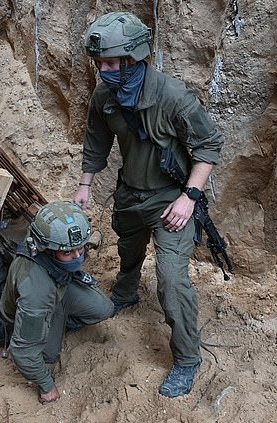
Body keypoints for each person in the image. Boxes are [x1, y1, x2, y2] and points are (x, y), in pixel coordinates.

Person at [73, 12, 225, 398]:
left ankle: (188, 359)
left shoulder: (173, 96)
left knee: (172, 281)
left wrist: (189, 198)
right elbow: (96, 141)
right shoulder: (104, 97)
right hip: (130, 194)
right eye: (99, 63)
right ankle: (125, 294)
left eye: (110, 63)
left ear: (133, 58)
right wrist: (85, 185)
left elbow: (209, 147)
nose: (103, 71)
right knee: (128, 249)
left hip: (170, 198)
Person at [0, 200, 114, 404]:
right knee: (48, 358)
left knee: (104, 308)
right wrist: (47, 385)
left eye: (81, 249)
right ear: (48, 251)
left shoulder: (46, 234)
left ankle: (59, 319)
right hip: (41, 302)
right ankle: (49, 323)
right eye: (68, 252)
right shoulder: (37, 292)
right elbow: (23, 352)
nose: (78, 256)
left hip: (59, 285)